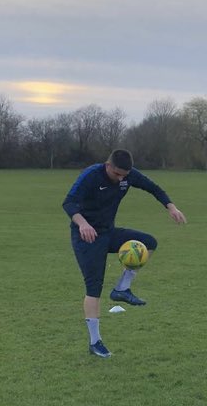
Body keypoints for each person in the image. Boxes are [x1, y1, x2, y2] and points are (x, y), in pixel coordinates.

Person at [63, 148, 187, 358]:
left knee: (148, 243)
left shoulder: (128, 176)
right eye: (117, 174)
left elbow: (153, 188)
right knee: (94, 287)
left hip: (108, 233)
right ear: (108, 165)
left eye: (124, 175)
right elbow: (69, 202)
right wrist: (82, 224)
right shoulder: (91, 175)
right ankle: (95, 342)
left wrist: (171, 207)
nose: (120, 178)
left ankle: (122, 288)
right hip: (87, 237)